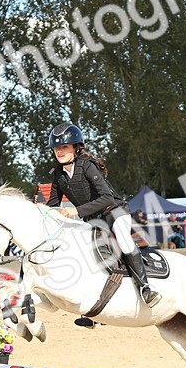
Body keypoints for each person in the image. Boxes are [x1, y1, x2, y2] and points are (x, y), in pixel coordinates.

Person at [45, 122, 161, 307]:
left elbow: (107, 198)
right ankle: (92, 301)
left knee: (123, 239)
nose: (59, 151)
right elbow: (52, 206)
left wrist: (75, 211)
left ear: (76, 148)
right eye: (56, 148)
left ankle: (145, 288)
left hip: (114, 211)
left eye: (64, 147)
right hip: (93, 220)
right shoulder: (58, 174)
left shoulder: (87, 166)